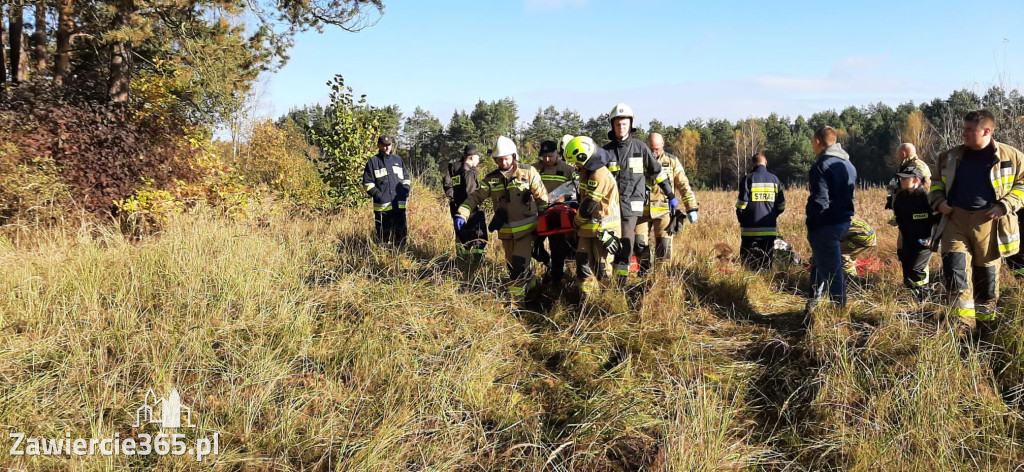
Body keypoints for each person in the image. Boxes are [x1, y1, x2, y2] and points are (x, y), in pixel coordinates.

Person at [929, 109, 1024, 335]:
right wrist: (939, 201)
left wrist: (1006, 205)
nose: (964, 134)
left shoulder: (1012, 156)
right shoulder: (949, 157)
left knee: (986, 279)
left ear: (987, 131)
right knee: (955, 270)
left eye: (970, 130)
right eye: (964, 129)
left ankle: (985, 327)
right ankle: (960, 327)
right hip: (955, 220)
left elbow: (1022, 185)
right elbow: (934, 183)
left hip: (990, 224)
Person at [456, 136, 549, 299]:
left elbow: (542, 199)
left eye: (505, 159)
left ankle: (517, 305)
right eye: (499, 160)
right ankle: (533, 287)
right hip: (506, 233)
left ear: (513, 156)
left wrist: (545, 225)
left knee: (517, 268)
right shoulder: (491, 179)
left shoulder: (528, 172)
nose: (503, 163)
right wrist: (462, 213)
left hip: (527, 231)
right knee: (513, 266)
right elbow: (475, 197)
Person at [602, 103, 676, 284]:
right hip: (610, 207)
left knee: (626, 243)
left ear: (630, 124)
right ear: (613, 125)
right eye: (618, 124)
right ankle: (605, 279)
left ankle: (620, 285)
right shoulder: (605, 152)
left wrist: (670, 194)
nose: (621, 127)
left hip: (632, 206)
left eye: (624, 123)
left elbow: (657, 172)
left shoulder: (640, 148)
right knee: (609, 243)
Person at [805, 126, 857, 310]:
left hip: (826, 224)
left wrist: (812, 223)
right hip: (844, 221)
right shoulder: (849, 165)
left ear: (818, 141)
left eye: (813, 142)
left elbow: (820, 201)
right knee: (819, 263)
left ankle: (839, 312)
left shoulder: (821, 165)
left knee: (832, 271)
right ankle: (812, 304)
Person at [564, 136, 620, 295]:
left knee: (602, 268)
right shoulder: (586, 171)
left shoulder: (599, 174)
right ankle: (588, 301)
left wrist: (575, 223)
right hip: (587, 229)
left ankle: (606, 303)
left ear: (584, 157)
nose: (576, 165)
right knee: (583, 264)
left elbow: (589, 205)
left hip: (603, 229)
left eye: (576, 161)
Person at [636, 132, 698, 273]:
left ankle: (661, 276)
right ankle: (644, 273)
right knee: (638, 244)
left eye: (657, 149)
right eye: (651, 148)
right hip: (641, 212)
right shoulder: (638, 160)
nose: (654, 152)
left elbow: (683, 184)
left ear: (663, 145)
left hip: (664, 212)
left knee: (664, 247)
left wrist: (691, 208)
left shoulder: (672, 161)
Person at [533, 140, 578, 285]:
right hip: (536, 216)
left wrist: (563, 198)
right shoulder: (533, 169)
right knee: (534, 248)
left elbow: (577, 191)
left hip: (556, 217)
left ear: (557, 153)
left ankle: (556, 279)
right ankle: (549, 265)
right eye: (543, 156)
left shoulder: (567, 169)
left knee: (557, 249)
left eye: (550, 156)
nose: (546, 159)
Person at [890, 166, 938, 298]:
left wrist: (932, 238)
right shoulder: (901, 198)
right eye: (901, 177)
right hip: (908, 239)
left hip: (924, 241)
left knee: (917, 269)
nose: (901, 180)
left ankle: (923, 297)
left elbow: (937, 220)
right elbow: (900, 219)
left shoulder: (926, 198)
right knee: (907, 267)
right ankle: (911, 299)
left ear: (916, 180)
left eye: (905, 178)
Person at [736, 153, 786, 272]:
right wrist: (772, 215)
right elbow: (781, 205)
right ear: (766, 163)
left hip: (749, 231)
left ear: (753, 164)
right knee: (766, 263)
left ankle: (749, 285)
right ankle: (766, 283)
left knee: (748, 264)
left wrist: (742, 219)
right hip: (769, 229)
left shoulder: (748, 179)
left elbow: (741, 205)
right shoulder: (775, 180)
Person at [442, 144, 487, 264]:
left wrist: (453, 200)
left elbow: (447, 184)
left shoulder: (454, 168)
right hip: (469, 209)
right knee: (479, 234)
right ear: (472, 157)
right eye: (478, 157)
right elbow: (472, 194)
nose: (479, 159)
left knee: (461, 234)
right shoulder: (469, 173)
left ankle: (462, 260)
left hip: (456, 207)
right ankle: (477, 262)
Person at [362, 135, 410, 246]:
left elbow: (406, 179)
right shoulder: (373, 162)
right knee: (383, 235)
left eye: (388, 145)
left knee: (401, 234)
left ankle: (401, 254)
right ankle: (384, 257)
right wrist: (379, 196)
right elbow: (367, 184)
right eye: (383, 145)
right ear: (379, 145)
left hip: (399, 204)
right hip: (383, 206)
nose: (386, 148)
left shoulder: (398, 160)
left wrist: (405, 192)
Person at [885, 143, 932, 210]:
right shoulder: (912, 164)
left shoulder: (915, 166)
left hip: (917, 203)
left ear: (903, 154)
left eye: (898, 154)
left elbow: (922, 185)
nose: (897, 157)